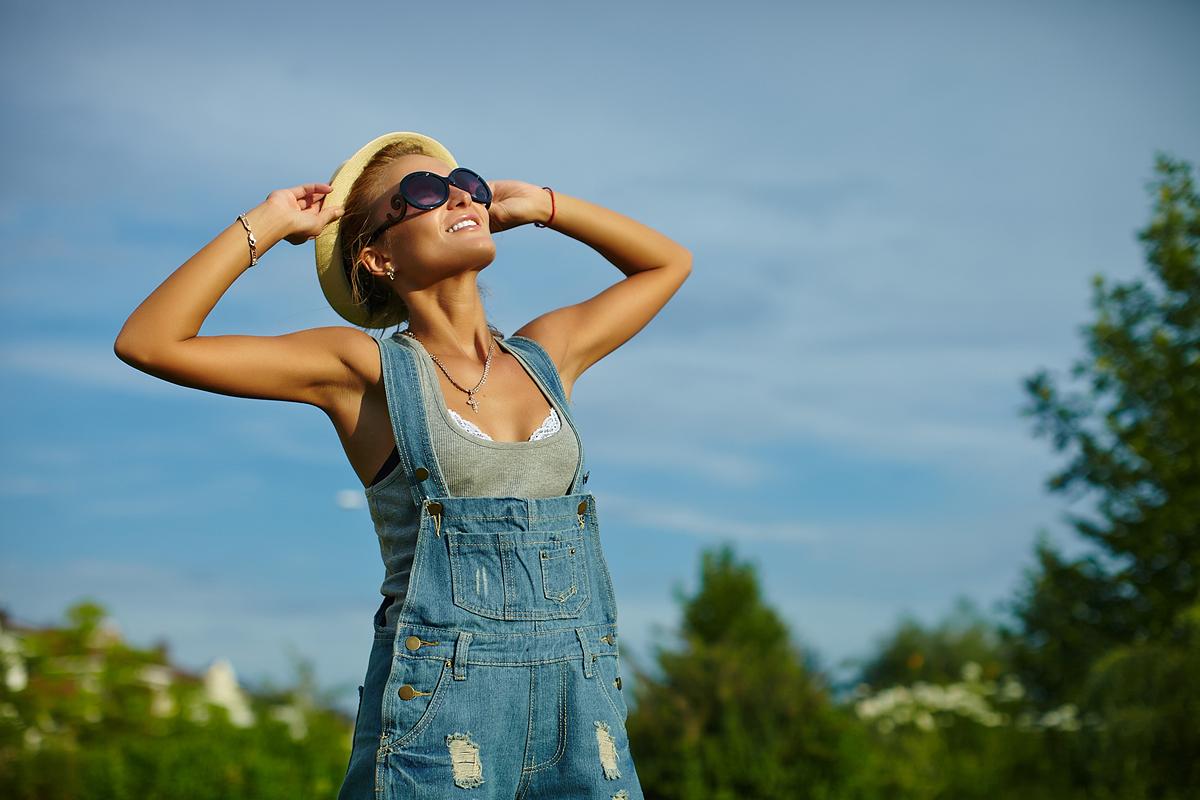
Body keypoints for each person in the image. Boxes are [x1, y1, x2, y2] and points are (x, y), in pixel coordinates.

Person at [114, 131, 691, 798]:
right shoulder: (363, 371)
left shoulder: (548, 355)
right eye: (423, 193)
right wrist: (268, 223)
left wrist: (546, 206)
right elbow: (150, 342)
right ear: (379, 256)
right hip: (443, 721)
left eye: (466, 184)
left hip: (583, 708)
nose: (457, 196)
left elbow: (668, 264)